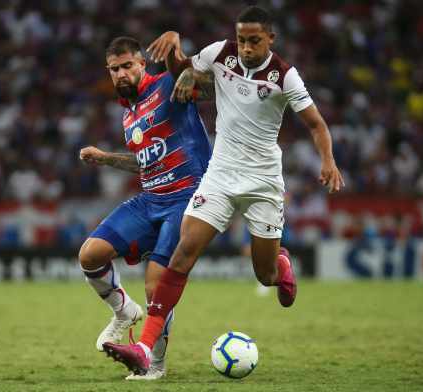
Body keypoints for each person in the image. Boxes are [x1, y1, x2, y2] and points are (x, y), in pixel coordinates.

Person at [102, 6, 344, 375]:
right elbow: (185, 72)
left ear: (270, 40)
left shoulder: (285, 76)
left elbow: (316, 124)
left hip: (262, 181)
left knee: (263, 274)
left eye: (254, 41)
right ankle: (145, 350)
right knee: (182, 254)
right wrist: (174, 49)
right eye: (242, 39)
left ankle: (280, 263)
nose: (245, 48)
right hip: (220, 174)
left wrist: (328, 160)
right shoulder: (221, 52)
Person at [77, 36, 213, 380]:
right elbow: (145, 163)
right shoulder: (129, 113)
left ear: (142, 64)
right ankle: (123, 311)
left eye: (127, 66)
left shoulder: (167, 84)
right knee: (90, 255)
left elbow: (209, 86)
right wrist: (106, 158)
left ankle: (154, 363)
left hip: (185, 197)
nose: (121, 74)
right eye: (114, 69)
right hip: (150, 198)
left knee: (157, 285)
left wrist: (185, 68)